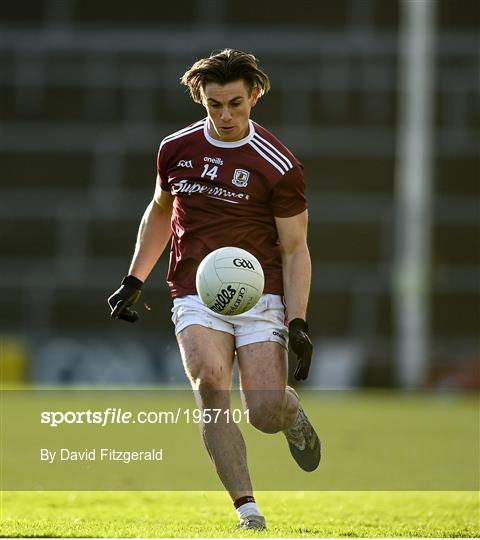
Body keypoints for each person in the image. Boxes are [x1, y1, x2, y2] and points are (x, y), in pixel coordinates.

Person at [108, 49, 320, 530]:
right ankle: (248, 510)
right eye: (214, 105)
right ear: (200, 99)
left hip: (260, 294)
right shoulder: (176, 148)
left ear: (255, 96)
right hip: (194, 291)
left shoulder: (279, 164)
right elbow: (161, 211)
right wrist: (134, 278)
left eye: (236, 104)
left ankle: (292, 414)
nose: (225, 116)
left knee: (265, 412)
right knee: (209, 384)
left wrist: (298, 321)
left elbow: (294, 248)